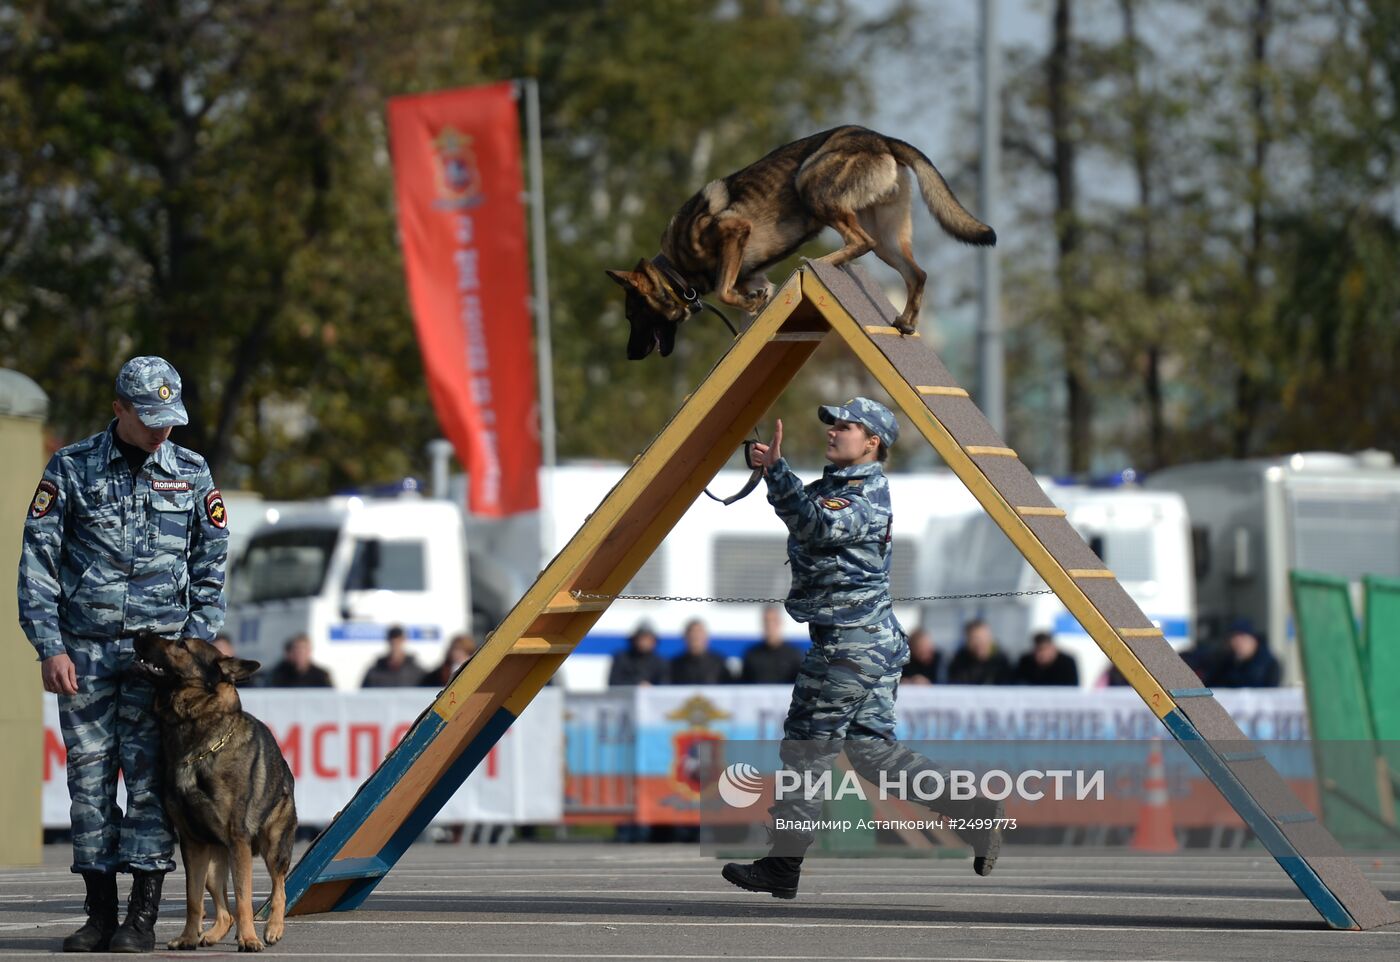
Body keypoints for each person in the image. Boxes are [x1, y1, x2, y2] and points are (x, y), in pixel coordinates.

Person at [722, 398, 1002, 900]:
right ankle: (975, 812)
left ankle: (783, 866)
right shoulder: (838, 487)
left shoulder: (867, 495)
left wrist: (777, 471)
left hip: (850, 645)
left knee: (807, 747)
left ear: (874, 442)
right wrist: (775, 474)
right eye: (830, 423)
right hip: (864, 641)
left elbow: (816, 525)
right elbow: (808, 514)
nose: (833, 431)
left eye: (846, 426)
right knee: (872, 753)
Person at [18, 355, 229, 952]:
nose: (164, 430)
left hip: (157, 665)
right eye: (150, 418)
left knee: (148, 782)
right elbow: (39, 561)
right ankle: (98, 911)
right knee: (88, 783)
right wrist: (49, 645)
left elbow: (210, 566)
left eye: (170, 418)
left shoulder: (191, 471)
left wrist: (194, 651)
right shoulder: (73, 466)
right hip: (83, 655)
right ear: (119, 409)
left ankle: (142, 915)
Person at [739, 605, 804, 684]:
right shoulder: (751, 655)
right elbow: (743, 687)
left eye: (773, 621)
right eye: (766, 621)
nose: (770, 625)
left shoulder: (794, 656)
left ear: (780, 623)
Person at [1205, 623, 1281, 688]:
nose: (1239, 644)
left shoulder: (1269, 664)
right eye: (1235, 640)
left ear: (1254, 640)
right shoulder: (1224, 663)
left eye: (1243, 639)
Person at [946, 618, 1013, 685]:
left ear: (990, 638)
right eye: (974, 639)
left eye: (983, 638)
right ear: (967, 641)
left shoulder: (1001, 662)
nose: (979, 643)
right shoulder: (959, 662)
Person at [669, 618, 732, 684]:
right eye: (692, 634)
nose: (695, 638)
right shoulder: (675, 665)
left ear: (706, 637)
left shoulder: (719, 663)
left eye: (699, 634)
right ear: (685, 637)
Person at [265, 633, 334, 688]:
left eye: (303, 650)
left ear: (309, 652)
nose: (299, 654)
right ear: (289, 653)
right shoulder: (277, 674)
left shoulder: (320, 675)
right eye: (296, 650)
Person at [1013, 631, 1080, 686]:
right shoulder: (1026, 662)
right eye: (1039, 650)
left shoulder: (1067, 662)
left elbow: (1073, 687)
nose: (1042, 653)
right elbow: (1018, 683)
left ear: (1053, 648)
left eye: (1045, 649)